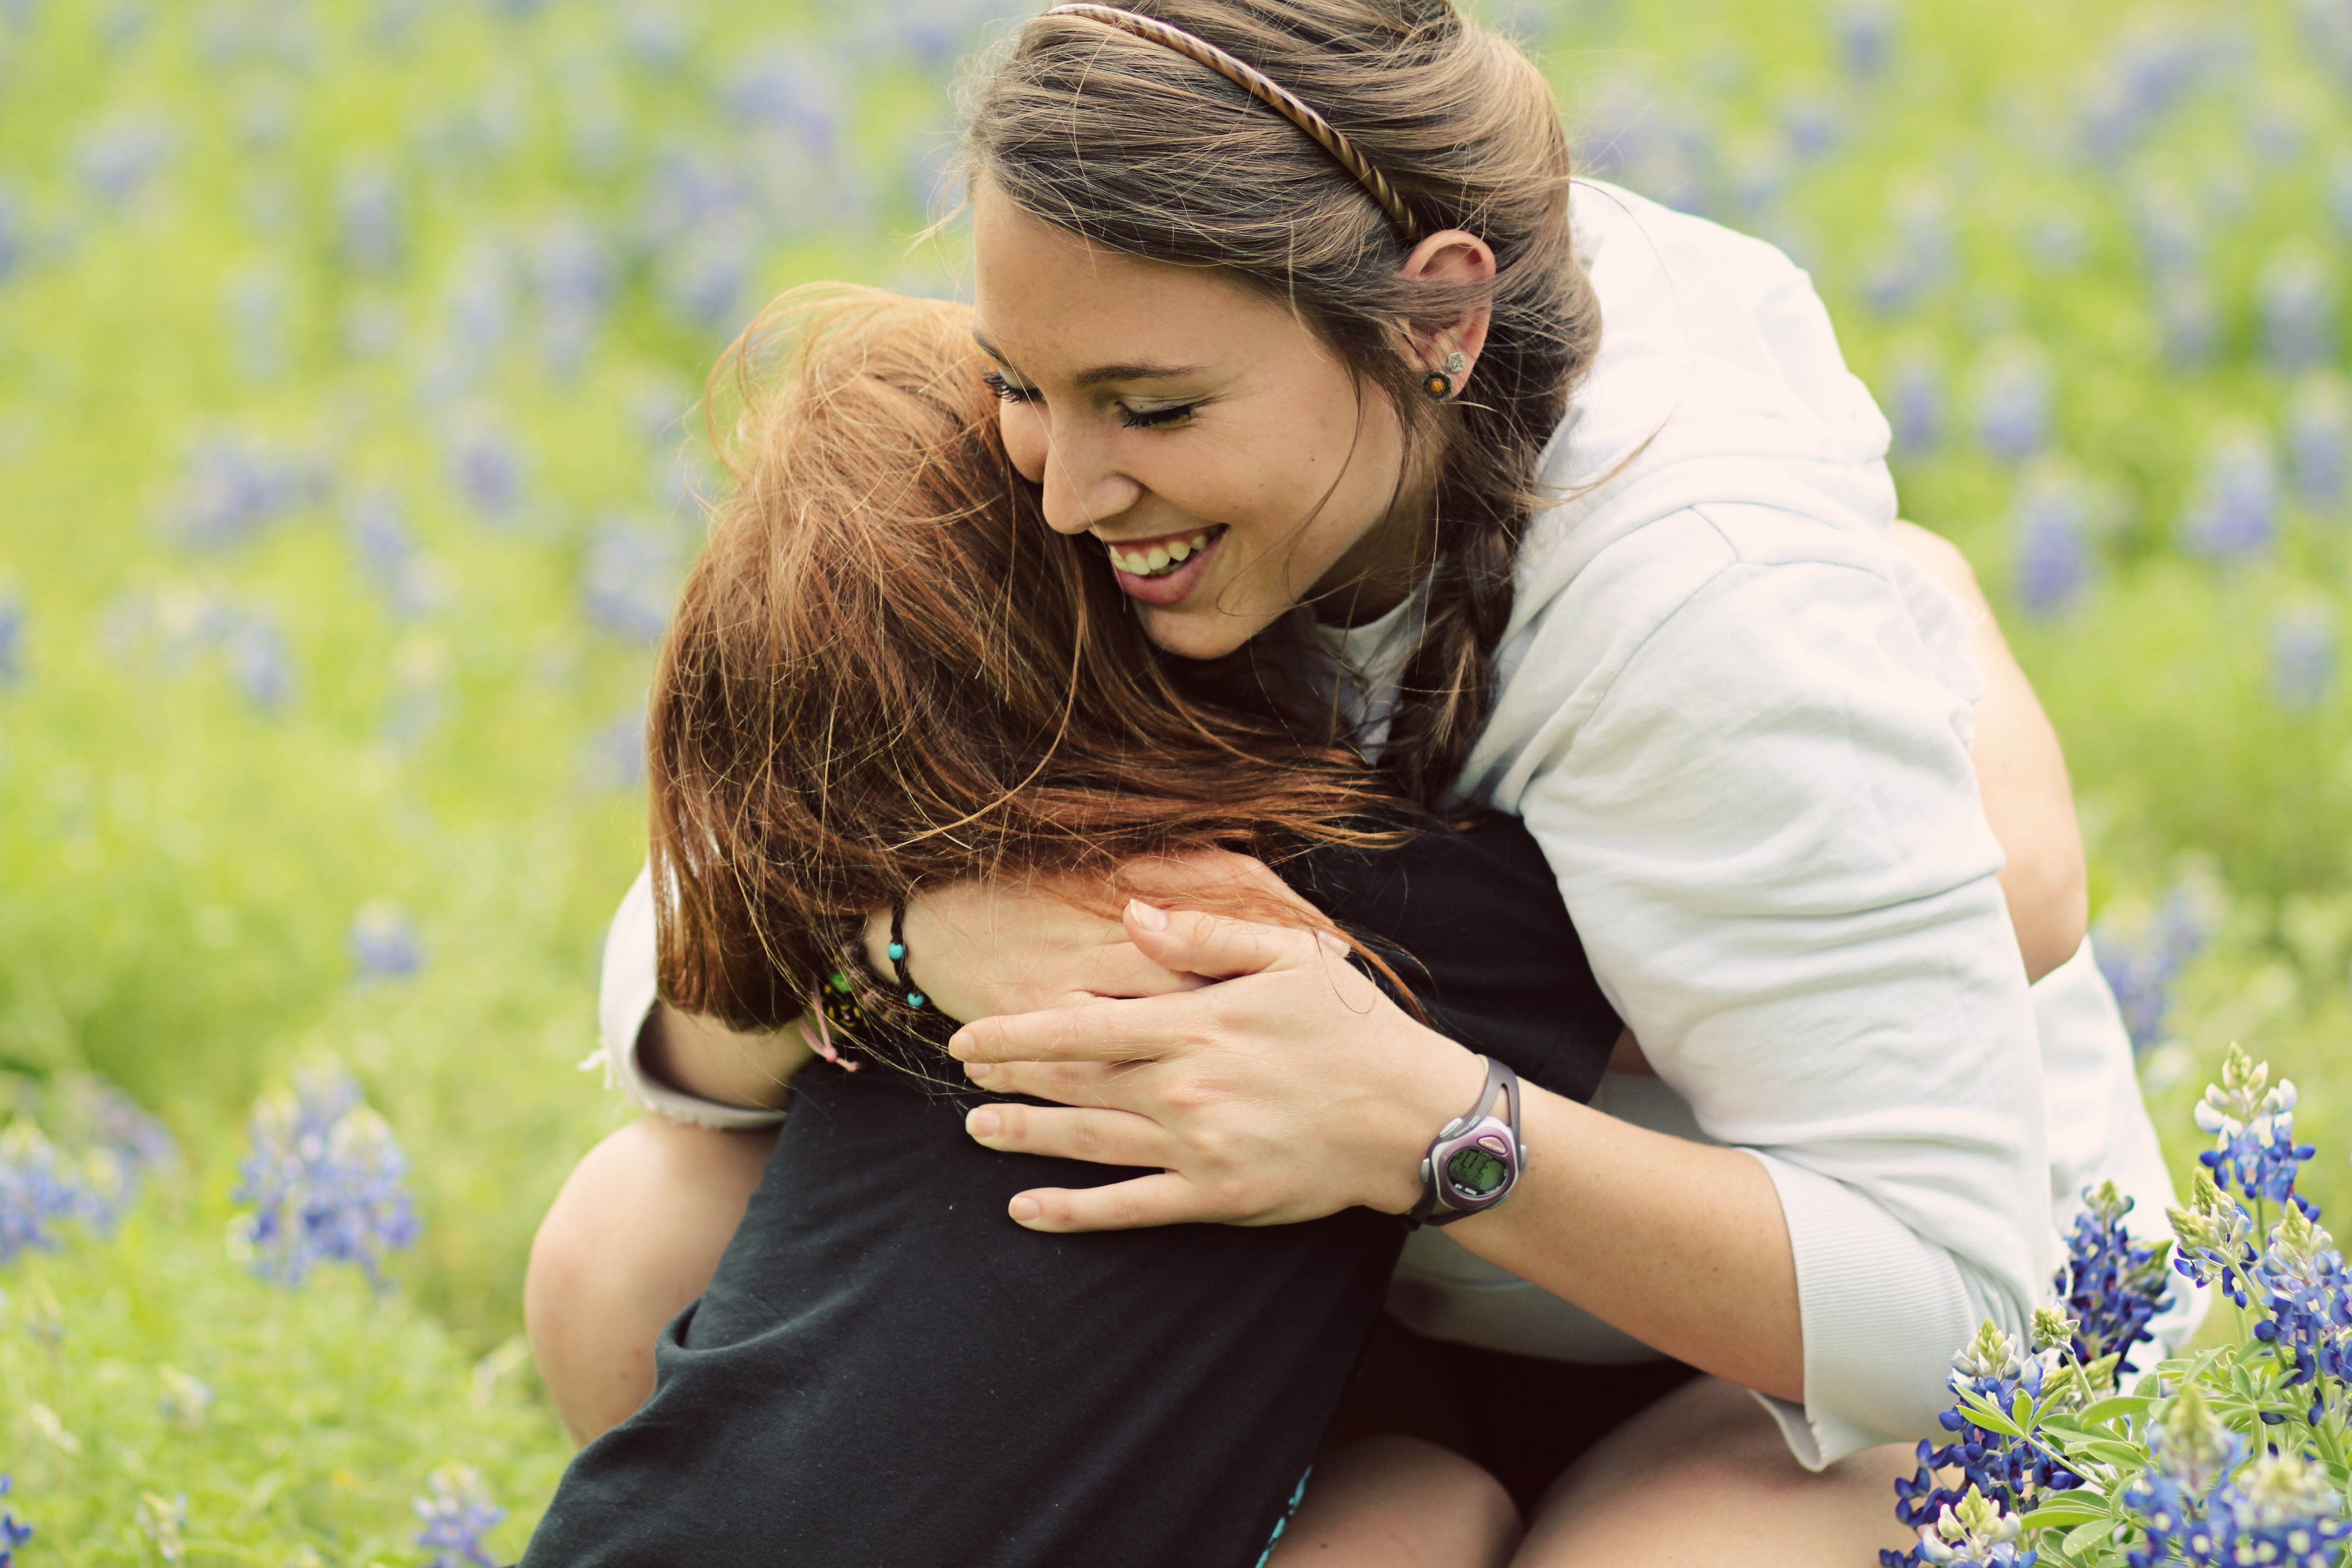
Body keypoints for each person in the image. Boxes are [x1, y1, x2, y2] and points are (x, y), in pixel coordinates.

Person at [532, 1, 2198, 1560]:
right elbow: (673, 961)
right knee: (632, 1245)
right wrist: (906, 932)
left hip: (1778, 1367)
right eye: (1022, 385)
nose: (1065, 492)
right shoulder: (1091, 437)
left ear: (1440, 320)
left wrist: (1426, 1126)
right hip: (1361, 1311)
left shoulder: (1695, 604)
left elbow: (1971, 1312)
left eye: (1155, 407)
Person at [523, 287, 1622, 1567]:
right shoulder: (1352, 907)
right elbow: (1442, 1502)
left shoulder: (918, 901)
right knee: (1430, 1502)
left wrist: (892, 935)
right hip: (1546, 1358)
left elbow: (709, 921)